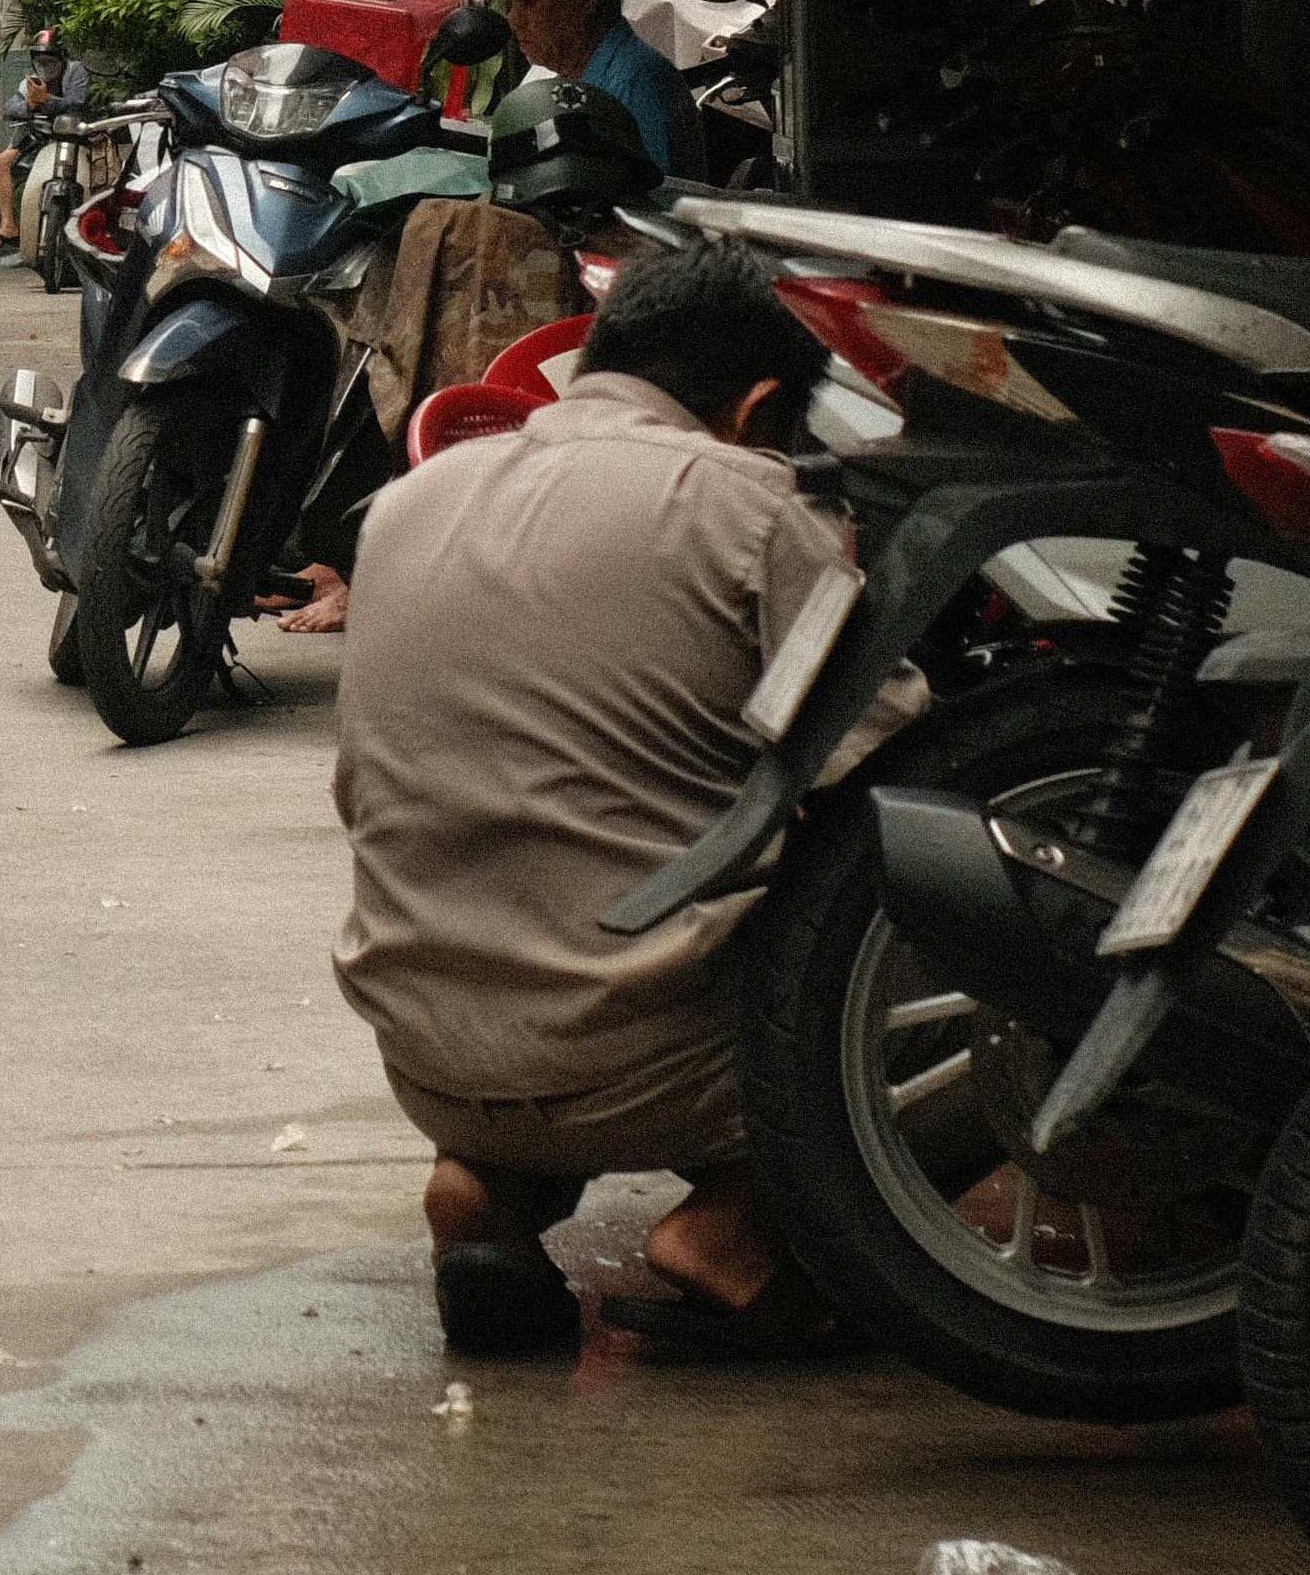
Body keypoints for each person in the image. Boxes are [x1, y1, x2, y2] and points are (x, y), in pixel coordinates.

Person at [326, 237, 917, 1362]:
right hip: (653, 1071)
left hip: (428, 1055)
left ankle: (481, 1192)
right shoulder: (740, 499)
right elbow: (892, 761)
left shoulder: (408, 505)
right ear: (755, 409)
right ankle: (740, 1226)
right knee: (993, 962)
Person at [498, 0, 691, 184]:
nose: (514, 19)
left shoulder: (634, 87)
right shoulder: (584, 80)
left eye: (527, 1)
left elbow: (649, 211)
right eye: (510, 1)